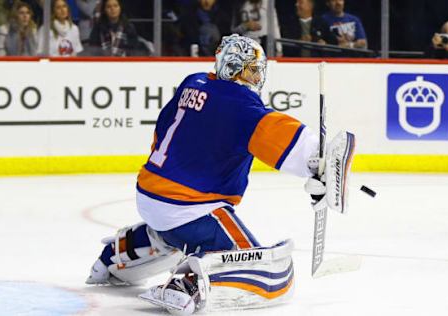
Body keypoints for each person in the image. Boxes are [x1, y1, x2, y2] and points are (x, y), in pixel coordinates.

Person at [85, 34, 354, 314]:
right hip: (192, 207)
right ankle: (186, 283)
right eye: (252, 69)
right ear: (233, 67)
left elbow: (161, 131)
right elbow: (290, 142)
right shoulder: (242, 106)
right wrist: (318, 166)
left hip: (149, 194)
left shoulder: (193, 82)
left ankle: (117, 254)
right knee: (269, 276)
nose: (257, 77)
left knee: (174, 232)